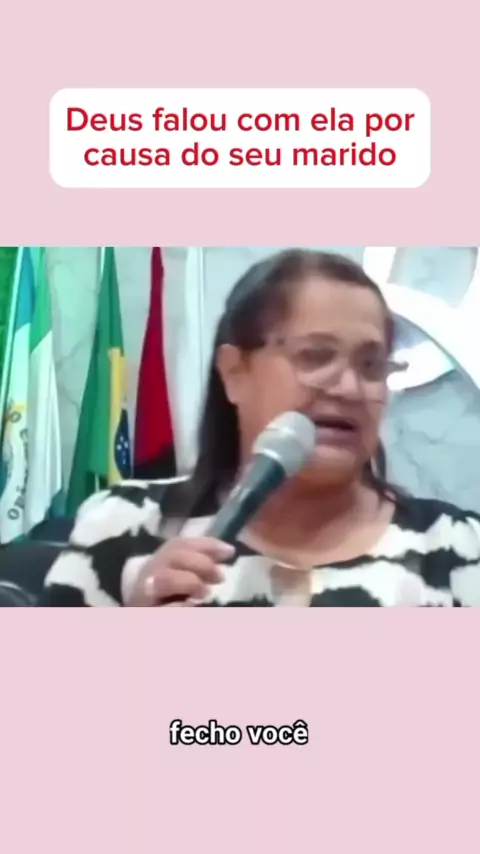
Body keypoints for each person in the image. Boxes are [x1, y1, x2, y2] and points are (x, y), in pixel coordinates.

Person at [40, 249, 480, 607]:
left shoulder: (458, 548)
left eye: (371, 364)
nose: (349, 388)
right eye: (316, 356)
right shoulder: (120, 526)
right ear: (234, 373)